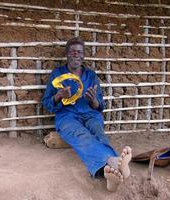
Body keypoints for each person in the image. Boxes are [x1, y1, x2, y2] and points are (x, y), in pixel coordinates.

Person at [42, 37, 132, 192]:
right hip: (67, 116)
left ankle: (108, 176)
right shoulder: (57, 74)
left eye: (80, 52)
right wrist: (58, 96)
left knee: (99, 133)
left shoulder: (91, 76)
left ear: (83, 56)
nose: (76, 55)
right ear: (67, 54)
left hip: (90, 114)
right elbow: (47, 103)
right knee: (82, 135)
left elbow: (100, 105)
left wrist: (93, 101)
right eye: (73, 52)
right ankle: (112, 161)